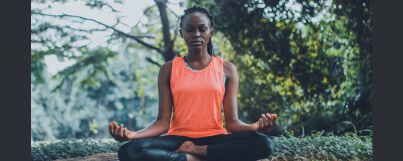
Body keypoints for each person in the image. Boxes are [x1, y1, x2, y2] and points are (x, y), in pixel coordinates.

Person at [109, 6, 277, 161]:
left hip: (215, 138)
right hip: (177, 139)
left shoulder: (227, 69)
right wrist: (133, 135)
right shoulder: (168, 69)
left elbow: (232, 123)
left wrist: (255, 127)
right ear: (182, 32)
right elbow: (162, 123)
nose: (196, 34)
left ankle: (196, 152)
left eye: (202, 29)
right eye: (190, 29)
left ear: (211, 31)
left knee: (264, 144)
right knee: (129, 150)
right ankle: (190, 158)